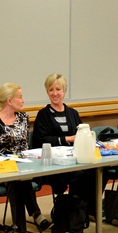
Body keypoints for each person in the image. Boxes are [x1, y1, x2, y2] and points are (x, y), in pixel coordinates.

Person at [0, 83, 52, 233]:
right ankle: (32, 217)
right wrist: (9, 160)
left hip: (23, 166)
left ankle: (22, 230)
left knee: (20, 178)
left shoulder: (23, 118)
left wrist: (22, 159)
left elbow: (24, 146)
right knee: (16, 180)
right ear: (9, 100)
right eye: (20, 97)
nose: (23, 100)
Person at [33, 73, 97, 210]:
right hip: (54, 164)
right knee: (81, 176)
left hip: (75, 160)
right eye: (51, 90)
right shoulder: (43, 115)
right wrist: (66, 139)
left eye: (58, 89)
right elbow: (41, 141)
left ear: (64, 91)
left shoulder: (73, 113)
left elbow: (81, 135)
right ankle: (72, 209)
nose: (55, 93)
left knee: (94, 172)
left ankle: (84, 208)